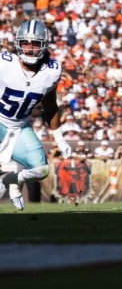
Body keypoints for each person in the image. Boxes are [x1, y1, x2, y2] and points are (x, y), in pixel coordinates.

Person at [0, 20, 73, 211]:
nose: (30, 48)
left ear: (44, 45)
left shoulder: (51, 71)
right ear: (18, 44)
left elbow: (50, 106)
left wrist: (60, 140)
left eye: (35, 44)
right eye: (25, 43)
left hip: (19, 126)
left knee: (41, 170)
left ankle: (13, 180)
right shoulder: (4, 63)